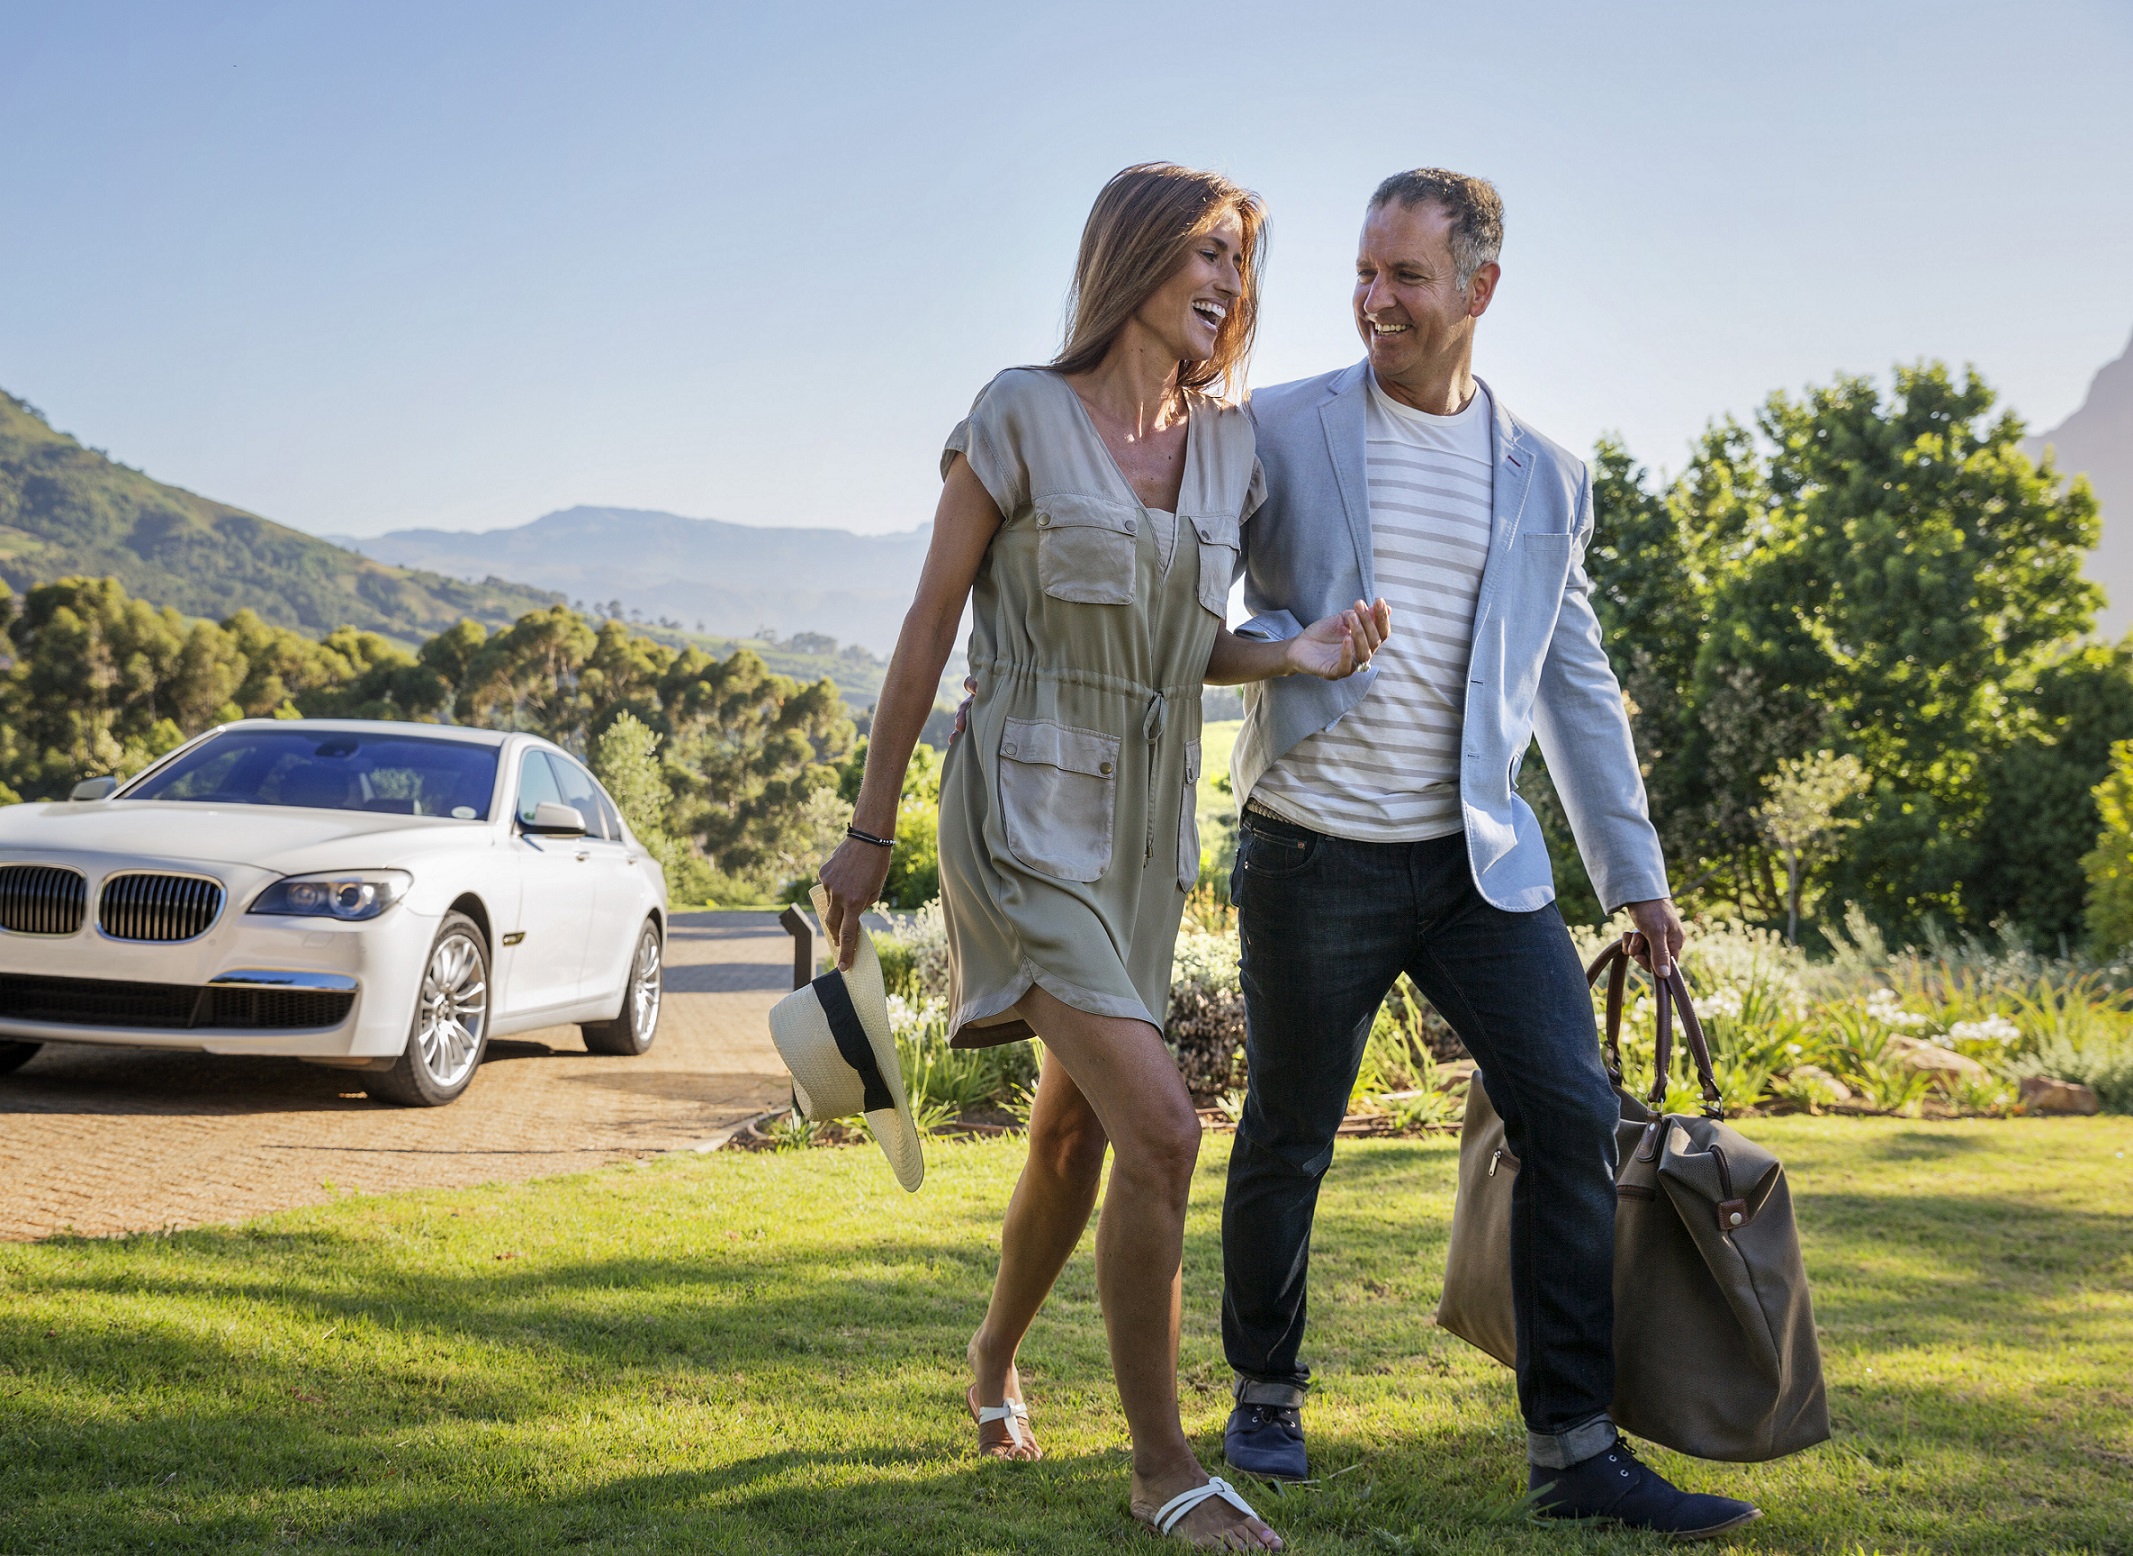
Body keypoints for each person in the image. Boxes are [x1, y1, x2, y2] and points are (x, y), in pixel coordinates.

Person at [817, 162, 1386, 1551]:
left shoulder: (1230, 450)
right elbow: (924, 629)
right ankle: (1160, 1468)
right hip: (1014, 811)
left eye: (1239, 263)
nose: (1227, 284)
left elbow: (1178, 646)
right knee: (1166, 1127)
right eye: (1205, 251)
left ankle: (990, 1363)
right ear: (1129, 257)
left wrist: (1285, 654)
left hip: (1143, 832)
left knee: (1071, 1127)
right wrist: (866, 829)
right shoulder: (1018, 412)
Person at [1215, 168, 1762, 1541]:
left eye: (1404, 276)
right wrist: (1279, 651)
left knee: (1571, 1115)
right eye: (1363, 271)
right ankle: (1264, 1395)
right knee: (1287, 1131)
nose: (1373, 299)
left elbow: (1574, 686)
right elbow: (1186, 611)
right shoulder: (1275, 429)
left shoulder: (1545, 477)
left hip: (1477, 868)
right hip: (1310, 849)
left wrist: (1633, 877)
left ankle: (1574, 1447)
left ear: (1478, 289)